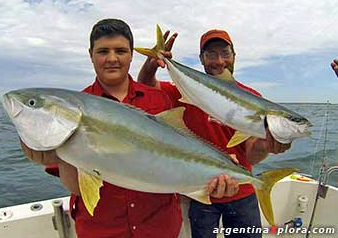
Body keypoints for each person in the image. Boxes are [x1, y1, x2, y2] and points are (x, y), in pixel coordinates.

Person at [20, 19, 238, 238]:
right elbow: (77, 187)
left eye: (121, 51)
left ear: (131, 55)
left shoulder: (159, 99)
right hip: (102, 230)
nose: (112, 58)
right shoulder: (75, 106)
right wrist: (62, 152)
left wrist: (219, 165)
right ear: (91, 54)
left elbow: (182, 149)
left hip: (161, 228)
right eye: (103, 51)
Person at [138, 28, 291, 238]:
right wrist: (152, 63)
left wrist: (268, 144)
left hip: (241, 191)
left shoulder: (253, 98)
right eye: (211, 54)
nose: (219, 61)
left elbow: (251, 155)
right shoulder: (184, 92)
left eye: (225, 53)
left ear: (234, 56)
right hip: (199, 192)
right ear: (201, 59)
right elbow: (145, 87)